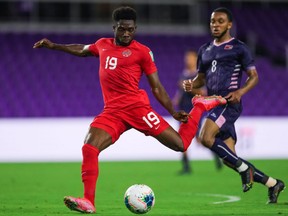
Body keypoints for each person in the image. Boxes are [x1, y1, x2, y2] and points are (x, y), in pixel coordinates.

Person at [33, 6, 226, 214]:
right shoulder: (102, 45)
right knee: (89, 147)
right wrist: (54, 46)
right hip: (112, 111)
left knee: (180, 145)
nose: (126, 33)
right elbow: (82, 49)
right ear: (114, 27)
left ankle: (200, 106)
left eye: (131, 30)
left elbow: (157, 87)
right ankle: (88, 201)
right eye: (122, 29)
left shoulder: (142, 52)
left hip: (137, 108)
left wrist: (172, 111)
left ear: (135, 29)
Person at [183, 7, 285, 204]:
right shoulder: (204, 50)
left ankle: (245, 170)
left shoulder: (239, 47)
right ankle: (273, 183)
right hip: (213, 104)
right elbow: (200, 79)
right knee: (229, 159)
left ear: (229, 24)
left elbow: (254, 77)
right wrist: (191, 84)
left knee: (205, 137)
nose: (215, 25)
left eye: (220, 21)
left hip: (228, 103)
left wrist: (240, 92)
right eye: (213, 21)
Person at [173, 50, 222, 174]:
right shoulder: (184, 74)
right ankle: (186, 166)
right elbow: (180, 91)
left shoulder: (199, 76)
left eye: (190, 58)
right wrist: (177, 99)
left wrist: (190, 89)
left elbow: (203, 93)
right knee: (181, 138)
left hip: (195, 112)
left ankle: (216, 154)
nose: (187, 60)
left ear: (196, 59)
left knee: (200, 140)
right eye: (186, 58)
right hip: (183, 111)